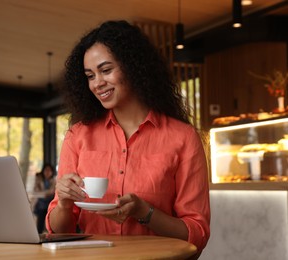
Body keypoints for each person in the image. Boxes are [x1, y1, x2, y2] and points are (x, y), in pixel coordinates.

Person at [45, 20, 210, 254]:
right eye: (90, 75)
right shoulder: (78, 136)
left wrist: (145, 213)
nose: (97, 83)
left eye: (106, 70)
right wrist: (63, 202)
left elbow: (197, 232)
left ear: (133, 66)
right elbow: (58, 231)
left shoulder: (183, 138)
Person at [33, 163, 56, 233]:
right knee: (40, 218)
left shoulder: (54, 180)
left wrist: (45, 193)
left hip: (50, 202)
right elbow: (36, 190)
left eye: (49, 171)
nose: (47, 172)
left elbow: (52, 191)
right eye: (46, 170)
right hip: (41, 203)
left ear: (52, 172)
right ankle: (39, 233)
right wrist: (46, 193)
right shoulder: (39, 179)